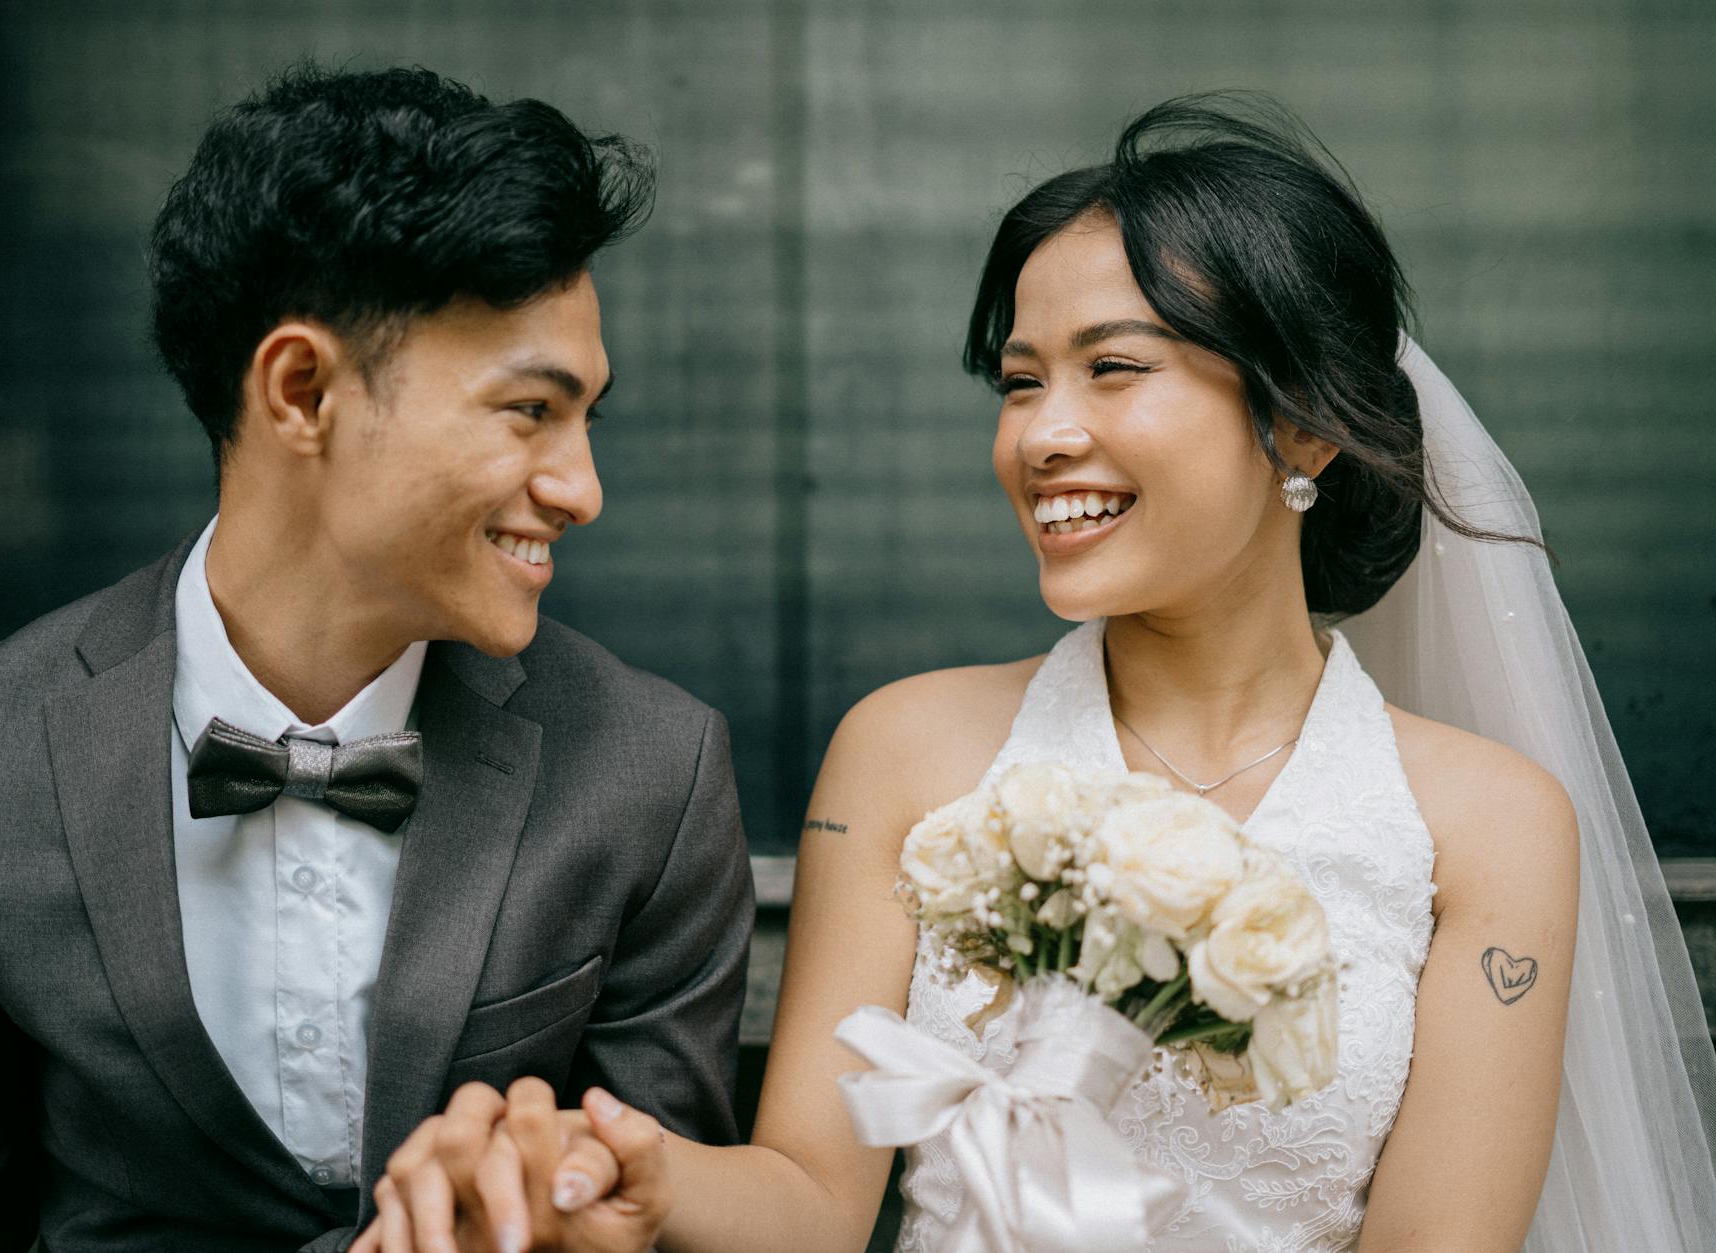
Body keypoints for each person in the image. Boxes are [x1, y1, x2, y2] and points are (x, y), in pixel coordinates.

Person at [364, 95, 1716, 1253]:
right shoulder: (906, 748)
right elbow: (812, 1202)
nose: (1043, 436)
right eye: (1020, 383)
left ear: (1301, 422)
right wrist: (644, 1174)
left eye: (1112, 369)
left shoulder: (1491, 820)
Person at [0, 64, 754, 1252]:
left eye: (587, 418)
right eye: (531, 410)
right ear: (302, 389)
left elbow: (658, 1218)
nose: (581, 488)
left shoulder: (650, 771)